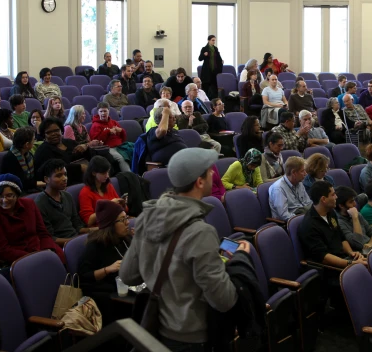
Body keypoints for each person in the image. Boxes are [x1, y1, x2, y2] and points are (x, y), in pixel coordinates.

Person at [120, 148, 252, 349]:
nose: (213, 175)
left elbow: (128, 275)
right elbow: (224, 300)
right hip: (193, 338)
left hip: (157, 331)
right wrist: (240, 260)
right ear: (199, 182)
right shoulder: (201, 232)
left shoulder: (147, 218)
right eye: (209, 172)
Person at [0, 173, 65, 265]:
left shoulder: (29, 204)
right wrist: (34, 256)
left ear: (17, 195)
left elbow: (43, 233)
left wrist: (47, 249)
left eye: (9, 195)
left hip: (40, 247)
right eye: (0, 197)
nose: (4, 200)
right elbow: (2, 250)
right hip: (17, 257)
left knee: (60, 258)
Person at [78, 199, 133, 326]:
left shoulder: (125, 238)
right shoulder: (95, 246)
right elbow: (84, 277)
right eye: (122, 220)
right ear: (110, 224)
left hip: (125, 286)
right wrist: (108, 269)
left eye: (127, 218)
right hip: (106, 294)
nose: (127, 222)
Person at [299, 181, 365, 269]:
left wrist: (351, 253)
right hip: (330, 269)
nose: (336, 197)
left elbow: (341, 237)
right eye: (333, 195)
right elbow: (323, 257)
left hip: (344, 259)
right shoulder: (309, 225)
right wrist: (350, 263)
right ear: (323, 199)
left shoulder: (330, 212)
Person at [35, 159, 91, 246]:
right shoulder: (40, 203)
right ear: (47, 179)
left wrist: (95, 231)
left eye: (65, 174)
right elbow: (50, 238)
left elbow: (77, 226)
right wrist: (75, 241)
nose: (64, 178)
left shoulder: (67, 196)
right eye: (58, 176)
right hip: (61, 246)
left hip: (75, 239)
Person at [34, 117, 91, 185]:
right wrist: (79, 167)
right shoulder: (43, 150)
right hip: (63, 184)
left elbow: (88, 155)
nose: (53, 134)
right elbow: (53, 170)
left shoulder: (70, 143)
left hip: (84, 178)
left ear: (61, 131)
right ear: (44, 135)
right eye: (49, 132)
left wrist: (85, 146)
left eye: (56, 130)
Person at [78, 156, 126, 226]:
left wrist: (123, 204)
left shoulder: (108, 186)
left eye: (108, 172)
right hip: (103, 228)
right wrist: (109, 205)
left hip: (116, 221)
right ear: (94, 173)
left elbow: (122, 209)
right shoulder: (85, 193)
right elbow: (89, 221)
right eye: (104, 173)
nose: (107, 176)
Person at [334, 186, 372, 253]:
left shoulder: (357, 214)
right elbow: (358, 243)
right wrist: (355, 218)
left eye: (354, 200)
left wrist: (371, 244)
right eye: (351, 202)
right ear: (341, 205)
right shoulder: (339, 222)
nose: (355, 204)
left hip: (371, 246)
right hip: (360, 253)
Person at [89, 102, 130, 173]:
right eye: (101, 111)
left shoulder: (114, 122)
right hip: (108, 148)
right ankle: (130, 175)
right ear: (98, 112)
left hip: (120, 146)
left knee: (133, 151)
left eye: (105, 111)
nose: (103, 113)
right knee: (121, 158)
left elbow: (123, 139)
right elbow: (96, 142)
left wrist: (121, 131)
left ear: (109, 111)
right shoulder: (95, 125)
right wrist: (107, 132)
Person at [268, 156, 311, 220]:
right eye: (302, 171)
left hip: (304, 215)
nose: (305, 173)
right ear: (293, 173)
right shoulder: (278, 188)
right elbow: (284, 215)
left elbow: (308, 203)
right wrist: (303, 218)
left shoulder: (299, 182)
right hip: (291, 222)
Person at [1, 127, 39, 193]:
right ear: (27, 144)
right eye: (33, 140)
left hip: (30, 187)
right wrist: (39, 183)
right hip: (17, 191)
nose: (34, 141)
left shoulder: (28, 154)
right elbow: (19, 182)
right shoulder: (10, 158)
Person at [197, 35, 224, 99]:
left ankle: (214, 100)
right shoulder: (204, 48)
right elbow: (200, 58)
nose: (214, 42)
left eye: (214, 40)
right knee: (206, 86)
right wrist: (204, 54)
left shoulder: (215, 48)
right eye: (212, 40)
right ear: (208, 40)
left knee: (214, 86)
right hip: (207, 71)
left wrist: (221, 61)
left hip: (214, 71)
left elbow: (218, 57)